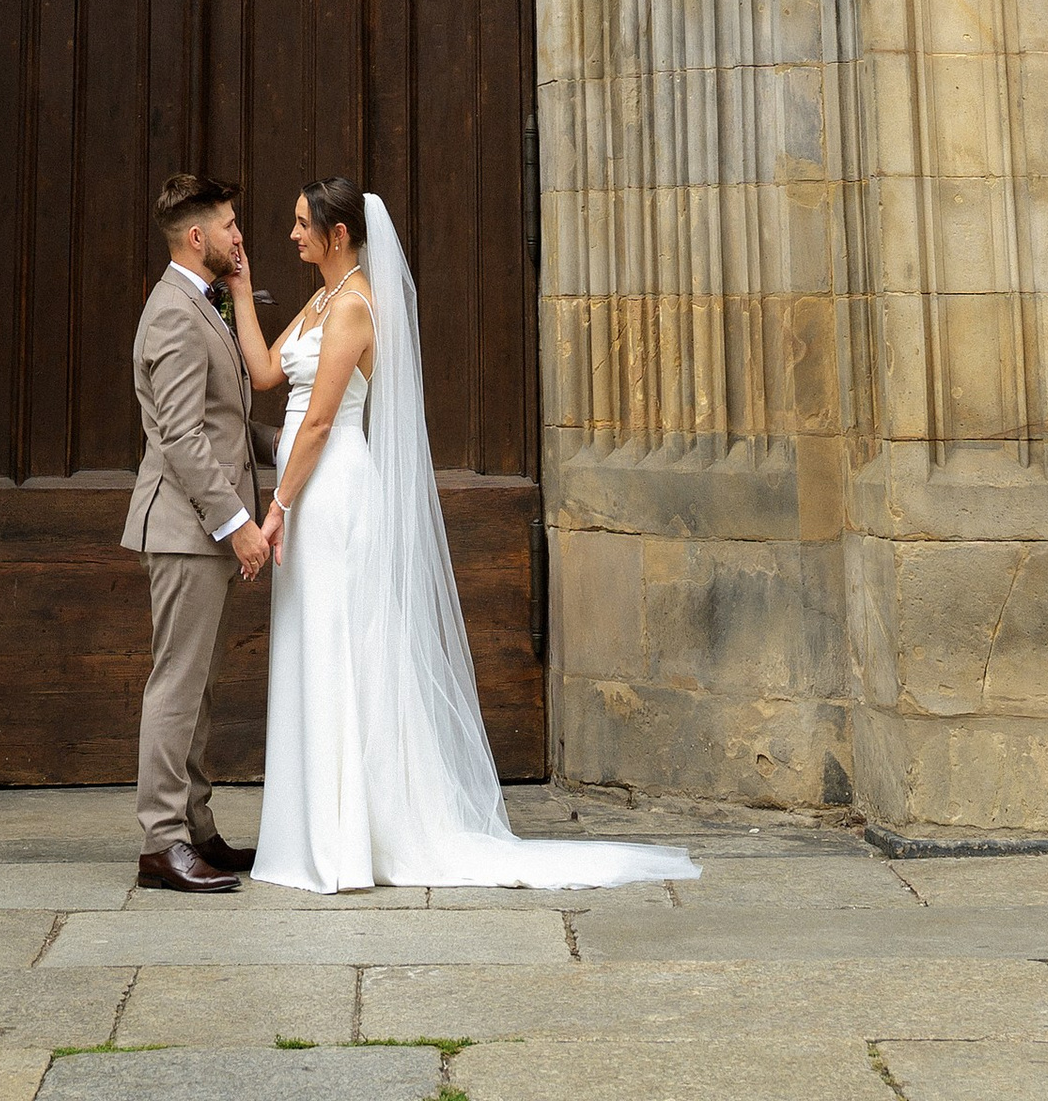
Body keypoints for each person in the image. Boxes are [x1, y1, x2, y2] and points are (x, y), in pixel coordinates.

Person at [226, 177, 697, 894]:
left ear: (339, 235)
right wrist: (241, 287)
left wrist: (277, 507)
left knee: (341, 641)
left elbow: (319, 423)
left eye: (301, 224)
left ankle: (350, 841)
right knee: (312, 639)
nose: (291, 234)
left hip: (330, 492)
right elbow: (265, 372)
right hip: (307, 495)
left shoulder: (354, 307)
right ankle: (317, 832)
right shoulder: (321, 300)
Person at [122, 171, 266, 894]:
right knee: (176, 686)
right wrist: (238, 524)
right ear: (199, 236)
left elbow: (223, 421)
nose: (242, 237)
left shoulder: (197, 303)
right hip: (186, 530)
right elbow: (182, 437)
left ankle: (197, 829)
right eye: (233, 225)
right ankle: (161, 842)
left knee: (199, 687)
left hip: (199, 529)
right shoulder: (175, 311)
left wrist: (300, 443)